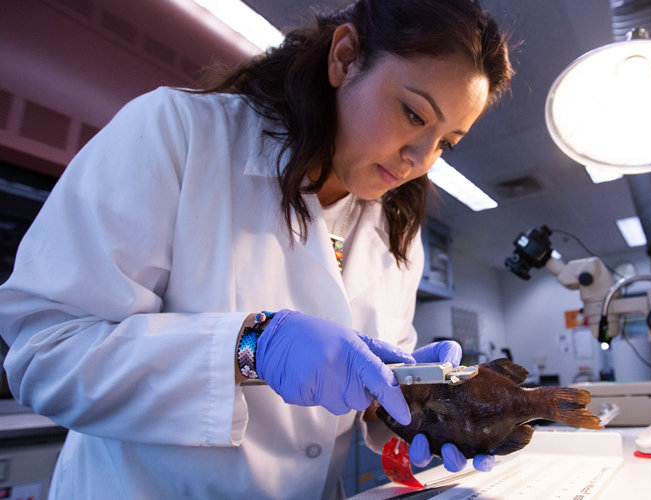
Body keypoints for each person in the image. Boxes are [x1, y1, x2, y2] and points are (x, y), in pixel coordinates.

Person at [0, 0, 514, 498]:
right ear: (345, 58)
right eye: (413, 113)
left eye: (447, 142)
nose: (421, 159)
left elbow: (362, 403)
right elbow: (46, 353)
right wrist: (252, 347)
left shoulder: (395, 233)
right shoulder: (177, 133)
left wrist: (411, 400)